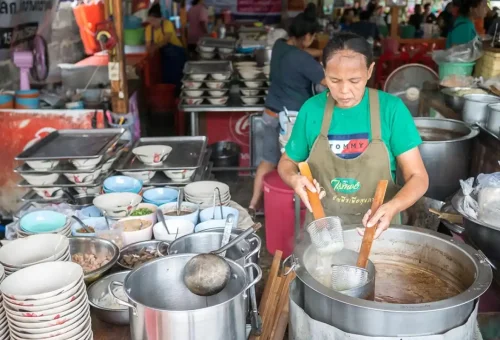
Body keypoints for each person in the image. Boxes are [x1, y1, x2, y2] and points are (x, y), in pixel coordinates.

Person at [277, 32, 428, 239]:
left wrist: (393, 206)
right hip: (324, 232)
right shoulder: (312, 110)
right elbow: (287, 162)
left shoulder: (391, 109)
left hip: (378, 231)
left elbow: (418, 177)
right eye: (334, 80)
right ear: (324, 72)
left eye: (354, 80)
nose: (344, 90)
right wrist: (295, 180)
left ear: (369, 71)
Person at [248, 3, 325, 216]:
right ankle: (297, 211)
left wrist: (319, 52)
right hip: (291, 121)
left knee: (268, 160)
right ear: (307, 35)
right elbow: (328, 80)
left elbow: (301, 52)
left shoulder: (281, 46)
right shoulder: (302, 59)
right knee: (298, 165)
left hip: (270, 113)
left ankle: (253, 204)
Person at [145, 3, 186, 90]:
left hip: (177, 53)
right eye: (150, 20)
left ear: (160, 18)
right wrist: (149, 53)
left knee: (178, 76)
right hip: (164, 56)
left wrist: (154, 48)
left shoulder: (167, 24)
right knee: (166, 77)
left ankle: (178, 94)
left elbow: (165, 40)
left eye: (154, 20)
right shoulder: (149, 29)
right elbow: (148, 45)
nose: (152, 23)